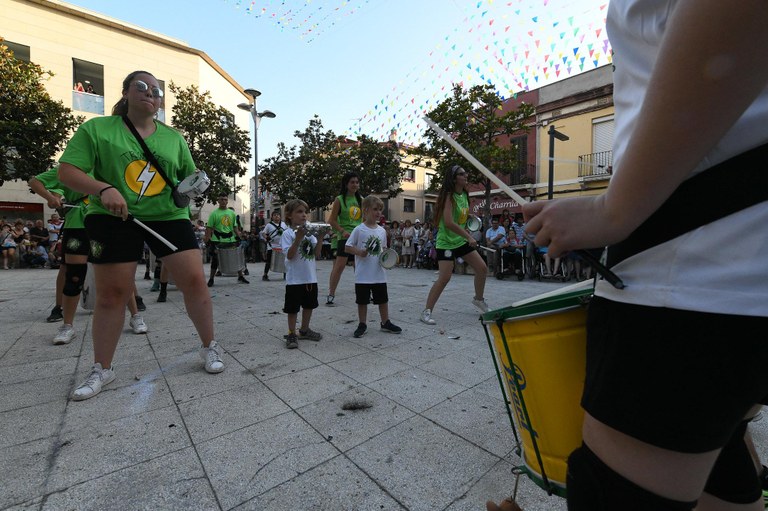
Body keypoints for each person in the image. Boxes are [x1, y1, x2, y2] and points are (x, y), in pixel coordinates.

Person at [520, 2, 768, 510]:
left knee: (617, 494)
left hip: (689, 275)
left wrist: (613, 210)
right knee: (721, 474)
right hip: (735, 269)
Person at [59, 70, 224, 401]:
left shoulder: (174, 138)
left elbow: (184, 183)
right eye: (142, 87)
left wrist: (195, 184)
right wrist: (102, 188)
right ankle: (101, 368)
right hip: (113, 217)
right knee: (112, 294)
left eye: (156, 91)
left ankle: (210, 346)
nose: (150, 93)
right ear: (125, 93)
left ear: (161, 102)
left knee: (194, 281)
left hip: (168, 217)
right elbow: (67, 171)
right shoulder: (97, 129)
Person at [420, 165, 489, 325]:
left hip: (460, 241)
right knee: (445, 277)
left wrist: (468, 221)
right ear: (454, 178)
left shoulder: (464, 194)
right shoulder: (448, 197)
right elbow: (449, 223)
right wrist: (468, 236)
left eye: (465, 173)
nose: (466, 176)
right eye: (462, 174)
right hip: (446, 244)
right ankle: (426, 311)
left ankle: (479, 300)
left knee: (482, 268)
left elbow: (459, 220)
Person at [344, 195, 402, 338]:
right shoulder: (359, 229)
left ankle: (385, 322)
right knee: (362, 300)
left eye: (380, 210)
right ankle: (362, 324)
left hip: (379, 273)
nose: (378, 213)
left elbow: (384, 250)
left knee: (383, 299)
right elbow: (347, 247)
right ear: (366, 210)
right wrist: (360, 252)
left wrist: (390, 260)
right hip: (363, 274)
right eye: (375, 209)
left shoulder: (382, 231)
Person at [280, 199, 323, 349]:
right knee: (292, 308)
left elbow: (317, 255)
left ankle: (304, 329)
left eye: (305, 212)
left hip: (310, 277)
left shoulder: (310, 235)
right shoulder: (287, 234)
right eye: (299, 211)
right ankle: (292, 332)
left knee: (309, 305)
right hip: (294, 279)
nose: (304, 215)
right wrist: (297, 239)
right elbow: (290, 255)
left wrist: (321, 238)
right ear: (289, 215)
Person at [326, 172, 363, 306]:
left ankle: (363, 293)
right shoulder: (339, 199)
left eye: (357, 182)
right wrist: (342, 231)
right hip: (345, 238)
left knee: (358, 266)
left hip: (358, 237)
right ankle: (331, 293)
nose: (355, 184)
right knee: (339, 266)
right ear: (346, 184)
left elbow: (363, 220)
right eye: (352, 182)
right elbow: (332, 220)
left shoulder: (361, 200)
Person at [204, 193, 249, 287]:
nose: (223, 201)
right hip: (217, 240)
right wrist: (207, 239)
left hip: (230, 239)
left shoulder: (232, 213)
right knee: (215, 260)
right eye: (221, 199)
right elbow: (209, 228)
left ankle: (240, 276)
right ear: (218, 201)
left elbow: (235, 227)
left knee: (235, 258)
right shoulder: (214, 214)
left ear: (227, 201)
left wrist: (239, 237)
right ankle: (211, 278)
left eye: (225, 199)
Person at [260, 210, 286, 281]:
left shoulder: (284, 224)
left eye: (278, 215)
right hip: (272, 246)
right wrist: (266, 237)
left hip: (282, 246)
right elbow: (263, 233)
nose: (277, 216)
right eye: (275, 215)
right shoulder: (269, 225)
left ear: (280, 217)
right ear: (272, 217)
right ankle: (265, 275)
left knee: (284, 261)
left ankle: (285, 274)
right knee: (269, 261)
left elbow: (287, 232)